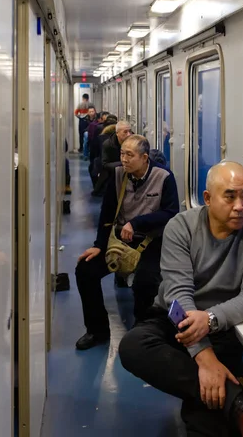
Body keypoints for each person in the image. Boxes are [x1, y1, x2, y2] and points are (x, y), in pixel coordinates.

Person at [119, 162, 243, 437]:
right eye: (230, 196)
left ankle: (226, 399)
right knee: (133, 346)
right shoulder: (181, 226)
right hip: (174, 317)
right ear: (207, 198)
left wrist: (211, 320)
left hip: (222, 326)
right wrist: (205, 358)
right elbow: (178, 294)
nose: (241, 205)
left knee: (205, 422)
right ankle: (238, 399)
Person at [75, 134, 179, 350]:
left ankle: (143, 335)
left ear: (144, 157)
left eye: (129, 155)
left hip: (152, 241)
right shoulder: (117, 175)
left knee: (145, 282)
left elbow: (171, 213)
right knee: (85, 270)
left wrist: (138, 223)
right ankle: (97, 330)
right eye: (122, 153)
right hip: (121, 240)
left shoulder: (164, 177)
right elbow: (107, 213)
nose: (123, 159)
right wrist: (98, 245)